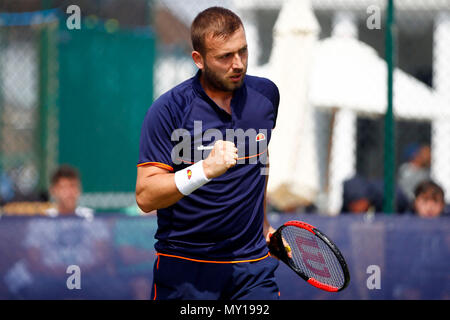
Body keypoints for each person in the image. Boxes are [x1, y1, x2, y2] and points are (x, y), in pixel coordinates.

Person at [136, 7, 281, 300]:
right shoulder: (169, 110)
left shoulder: (266, 96)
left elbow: (260, 160)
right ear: (198, 60)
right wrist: (203, 170)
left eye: (242, 51)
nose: (238, 63)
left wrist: (263, 224)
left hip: (252, 268)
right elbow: (146, 195)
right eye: (225, 56)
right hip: (186, 268)